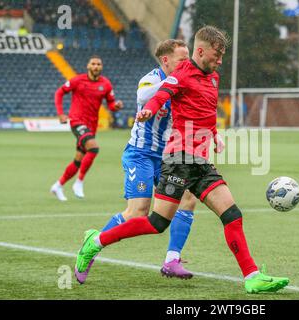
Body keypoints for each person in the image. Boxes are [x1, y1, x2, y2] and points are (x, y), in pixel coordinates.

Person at [74, 26, 289, 294]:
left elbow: (206, 112)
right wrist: (148, 111)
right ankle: (96, 241)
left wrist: (214, 135)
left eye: (222, 55)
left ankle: (252, 276)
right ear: (200, 51)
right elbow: (161, 95)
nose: (219, 60)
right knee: (156, 223)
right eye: (216, 55)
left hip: (200, 161)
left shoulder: (213, 78)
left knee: (232, 215)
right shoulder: (182, 74)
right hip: (177, 160)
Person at [90, 40, 197, 284]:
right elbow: (143, 95)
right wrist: (175, 80)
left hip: (168, 156)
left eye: (188, 59)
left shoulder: (184, 83)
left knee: (188, 198)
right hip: (141, 153)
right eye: (182, 60)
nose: (187, 64)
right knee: (138, 212)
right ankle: (93, 245)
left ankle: (172, 260)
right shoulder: (151, 79)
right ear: (165, 61)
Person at [51, 55, 123, 201]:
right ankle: (79, 182)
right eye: (93, 64)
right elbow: (59, 92)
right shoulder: (77, 80)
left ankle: (58, 185)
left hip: (92, 125)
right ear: (88, 66)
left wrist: (115, 107)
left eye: (98, 64)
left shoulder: (106, 84)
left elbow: (110, 104)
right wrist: (60, 114)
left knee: (78, 160)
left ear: (101, 67)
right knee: (94, 148)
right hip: (77, 121)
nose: (96, 66)